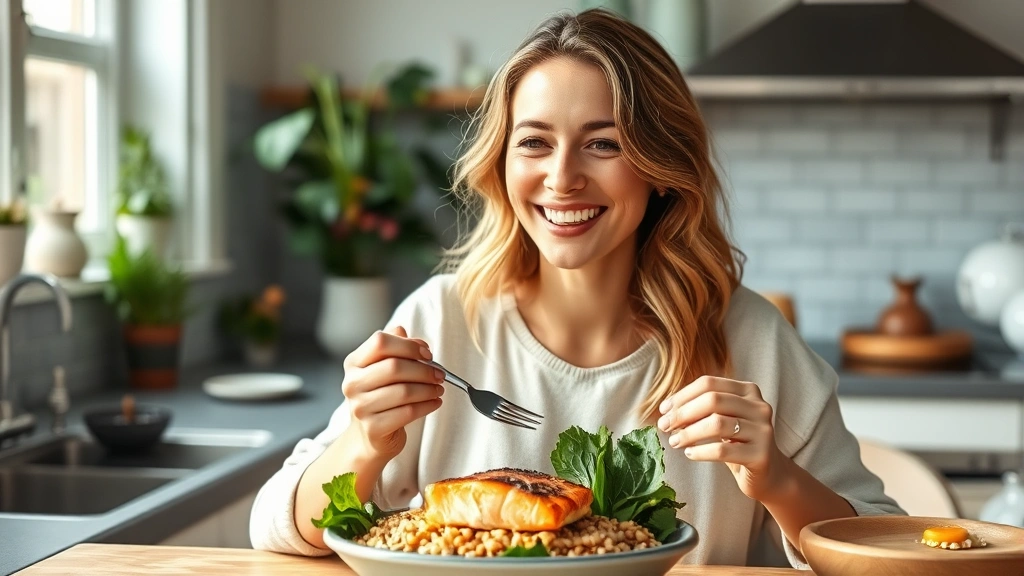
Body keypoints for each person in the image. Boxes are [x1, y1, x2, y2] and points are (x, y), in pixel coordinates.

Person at [250, 8, 903, 567]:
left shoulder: (751, 340)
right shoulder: (438, 322)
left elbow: (883, 549)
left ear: (663, 170)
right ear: (502, 163)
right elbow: (277, 529)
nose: (562, 179)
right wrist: (365, 444)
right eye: (534, 142)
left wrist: (777, 478)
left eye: (603, 144)